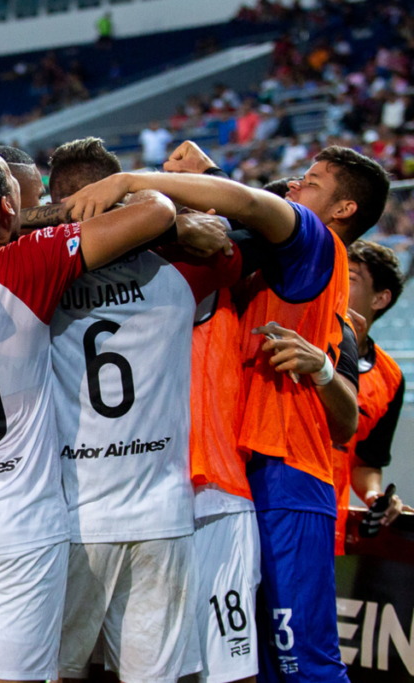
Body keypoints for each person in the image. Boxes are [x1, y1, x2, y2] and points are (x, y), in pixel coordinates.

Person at [67, 141, 390, 683]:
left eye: (311, 181)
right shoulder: (269, 265)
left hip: (288, 473)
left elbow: (251, 204)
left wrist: (129, 183)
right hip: (242, 470)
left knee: (302, 658)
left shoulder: (318, 242)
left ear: (343, 209)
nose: (294, 184)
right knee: (257, 657)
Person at [0, 138, 177, 683]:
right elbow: (156, 211)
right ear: (6, 209)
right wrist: (56, 211)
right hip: (16, 528)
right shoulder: (27, 263)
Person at [46, 139, 264, 683]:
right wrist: (183, 208)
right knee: (156, 676)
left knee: (54, 671)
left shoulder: (37, 276)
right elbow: (263, 224)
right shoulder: (188, 270)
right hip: (161, 517)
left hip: (71, 517)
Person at [335, 239, 409, 552]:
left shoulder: (390, 377)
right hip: (264, 502)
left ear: (381, 298)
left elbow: (366, 461)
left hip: (328, 522)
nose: (336, 280)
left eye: (350, 277)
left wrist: (376, 496)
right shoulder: (304, 338)